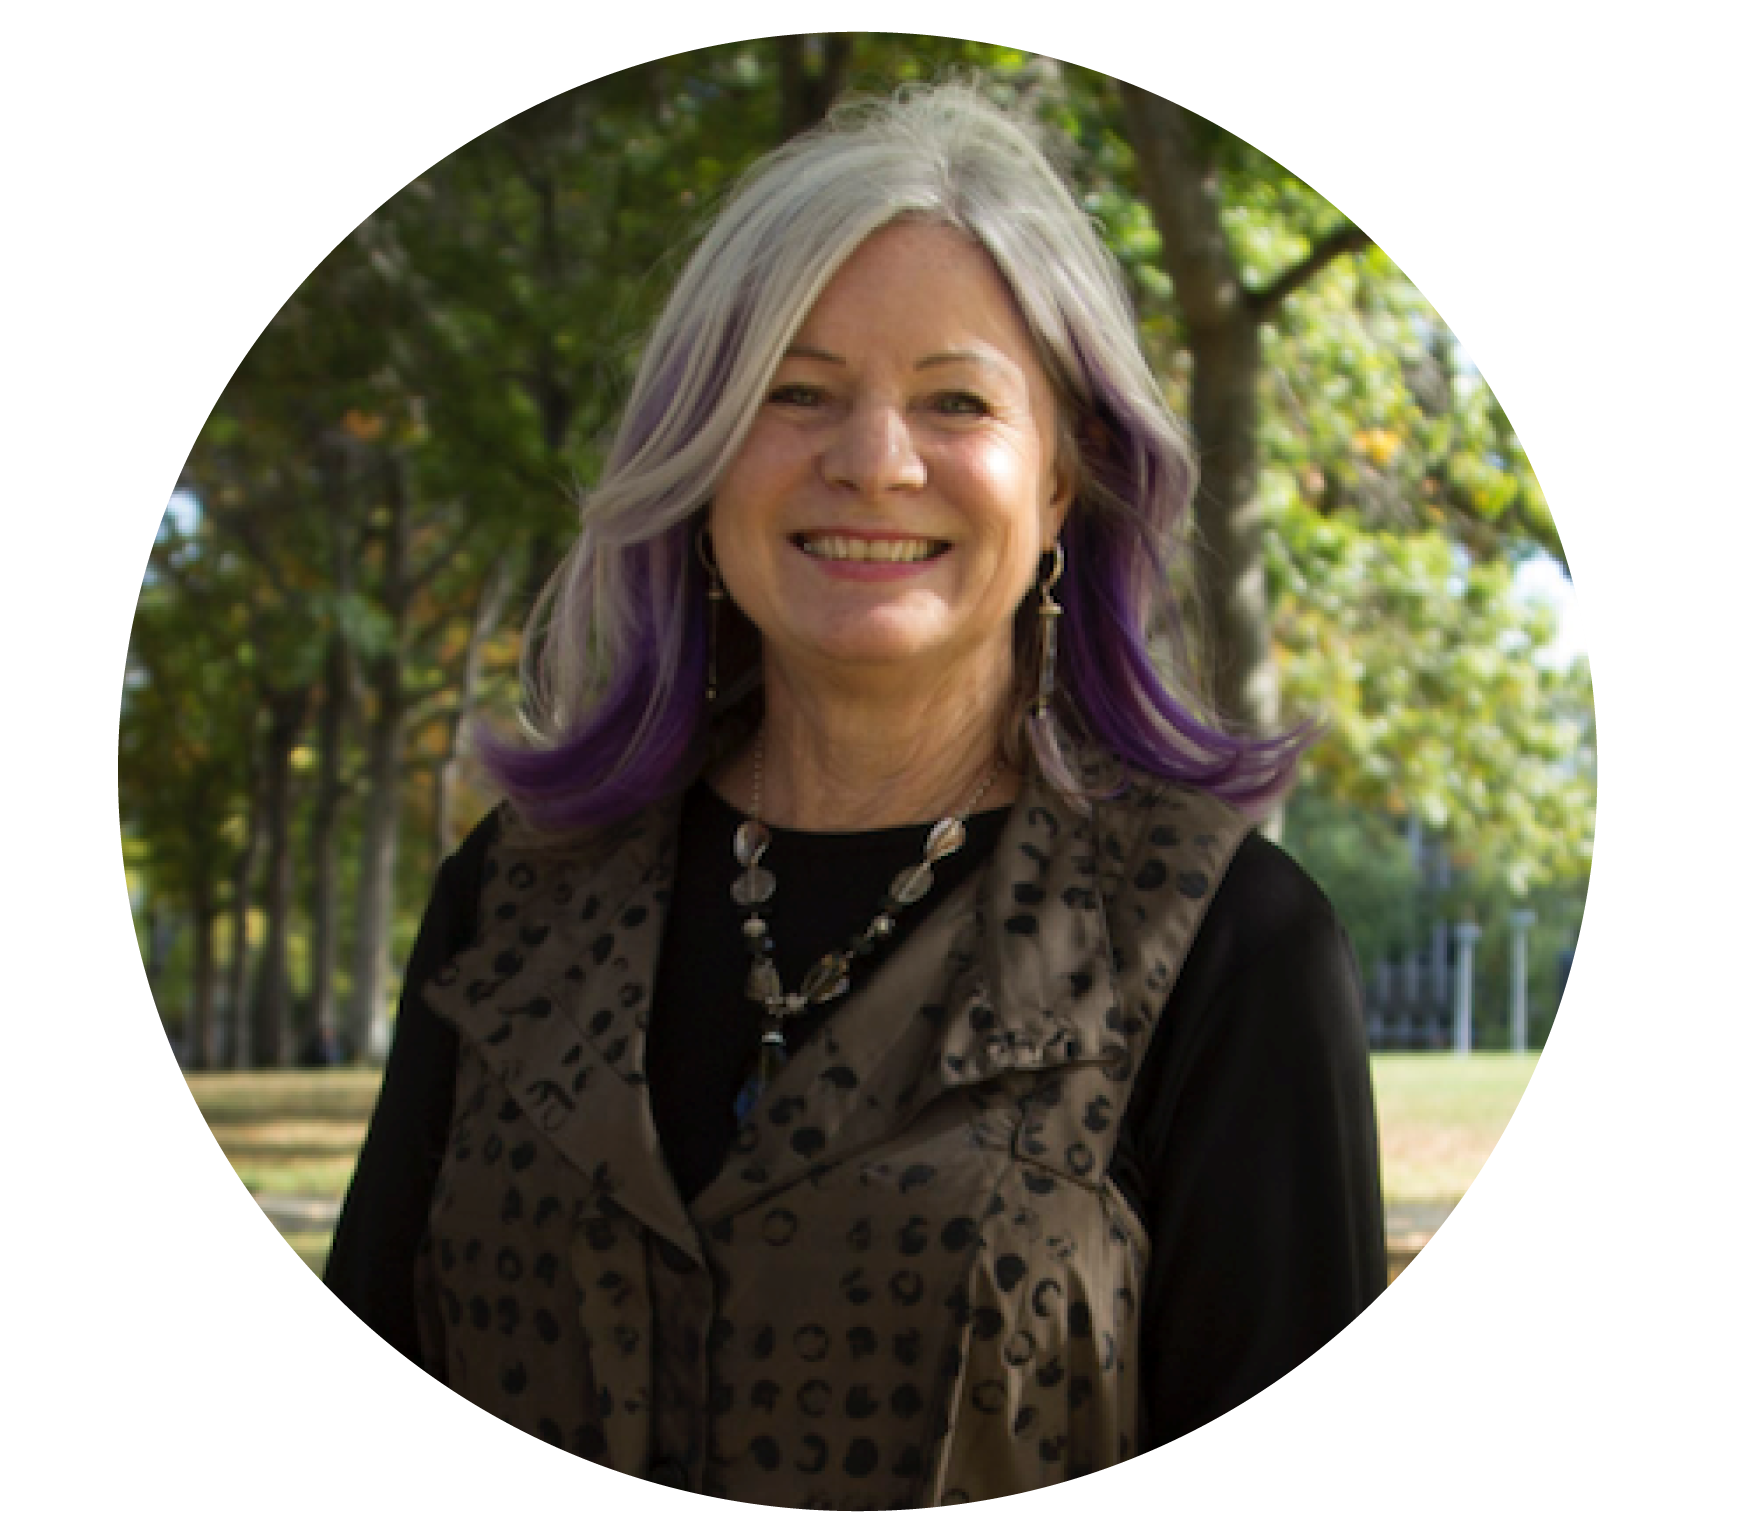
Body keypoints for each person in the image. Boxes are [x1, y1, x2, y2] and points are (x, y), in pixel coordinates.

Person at [323, 80, 1386, 1511]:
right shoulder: (511, 903)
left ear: (1063, 475)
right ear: (701, 456)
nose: (872, 461)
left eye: (955, 400)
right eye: (796, 391)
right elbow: (378, 1414)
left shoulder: (1226, 950)